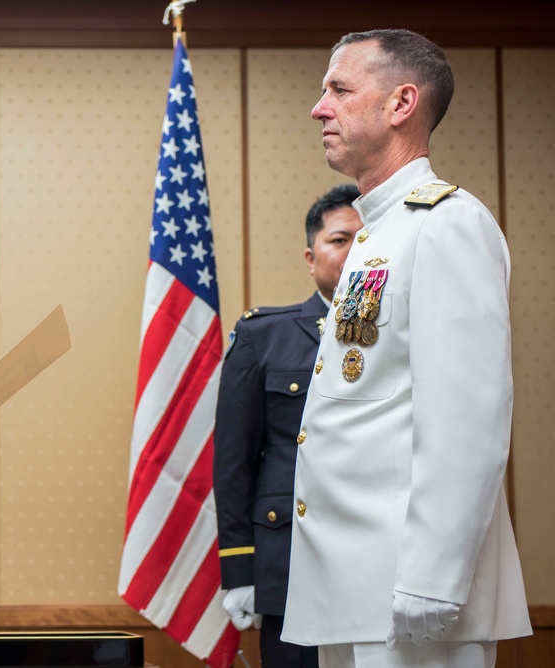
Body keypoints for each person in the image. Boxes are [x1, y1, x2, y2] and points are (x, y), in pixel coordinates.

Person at [281, 29, 532, 668]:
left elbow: (467, 419)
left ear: (400, 105)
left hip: (414, 597)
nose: (319, 108)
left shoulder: (448, 223)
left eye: (339, 89)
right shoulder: (377, 235)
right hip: (354, 590)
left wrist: (433, 576)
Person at [214, 183, 362, 668]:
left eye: (367, 240)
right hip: (290, 564)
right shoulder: (264, 336)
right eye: (340, 240)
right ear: (310, 255)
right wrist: (239, 567)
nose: (355, 251)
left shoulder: (402, 335)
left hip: (378, 564)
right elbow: (234, 463)